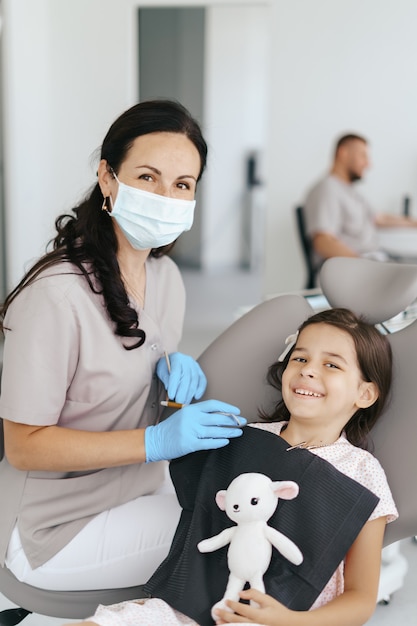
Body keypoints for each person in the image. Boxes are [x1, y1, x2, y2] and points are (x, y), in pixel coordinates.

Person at [0, 99, 246, 592]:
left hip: (139, 488)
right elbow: (23, 447)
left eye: (182, 185)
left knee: (251, 506)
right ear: (108, 178)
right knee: (239, 545)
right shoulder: (57, 296)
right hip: (55, 527)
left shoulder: (166, 278)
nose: (166, 195)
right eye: (148, 177)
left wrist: (173, 384)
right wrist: (156, 441)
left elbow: (132, 397)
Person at [65, 308, 397, 626]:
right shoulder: (241, 437)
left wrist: (292, 621)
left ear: (365, 393)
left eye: (332, 365)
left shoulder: (362, 473)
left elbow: (360, 598)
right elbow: (192, 504)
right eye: (300, 358)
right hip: (191, 607)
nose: (309, 370)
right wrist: (172, 412)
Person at [304, 133, 417, 267]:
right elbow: (323, 242)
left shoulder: (351, 192)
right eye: (363, 156)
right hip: (355, 268)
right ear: (343, 152)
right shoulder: (327, 188)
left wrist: (412, 222)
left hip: (374, 258)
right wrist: (364, 267)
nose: (368, 164)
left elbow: (380, 218)